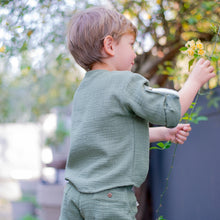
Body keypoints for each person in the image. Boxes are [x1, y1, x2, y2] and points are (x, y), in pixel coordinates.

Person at [59, 6, 215, 220]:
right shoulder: (125, 82)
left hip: (74, 194)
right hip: (109, 197)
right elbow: (171, 111)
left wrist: (163, 134)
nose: (135, 53)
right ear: (109, 45)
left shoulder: (84, 90)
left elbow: (113, 137)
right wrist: (194, 81)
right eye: (131, 45)